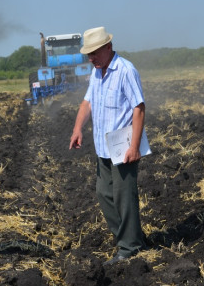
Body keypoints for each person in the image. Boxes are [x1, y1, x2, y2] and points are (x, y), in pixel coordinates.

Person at [69, 26, 147, 266]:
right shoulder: (97, 72)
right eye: (88, 54)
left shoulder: (125, 70)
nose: (91, 58)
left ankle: (129, 247)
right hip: (103, 146)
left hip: (122, 145)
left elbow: (139, 108)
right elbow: (87, 103)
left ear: (108, 47)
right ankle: (131, 237)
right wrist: (77, 128)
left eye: (94, 53)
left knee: (124, 197)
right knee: (104, 194)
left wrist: (134, 147)